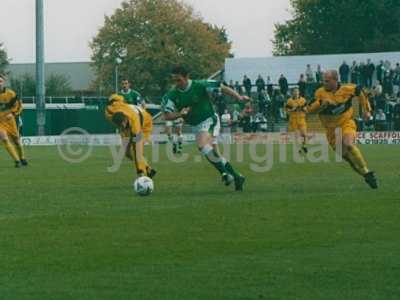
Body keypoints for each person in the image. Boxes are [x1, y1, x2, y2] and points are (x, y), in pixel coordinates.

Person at [162, 66, 248, 191]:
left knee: (202, 144)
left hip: (209, 119)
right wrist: (180, 114)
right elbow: (167, 115)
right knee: (215, 154)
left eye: (179, 80)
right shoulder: (172, 95)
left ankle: (225, 174)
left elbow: (222, 87)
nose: (176, 83)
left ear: (186, 77)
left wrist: (239, 97)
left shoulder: (200, 85)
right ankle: (237, 177)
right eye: (174, 81)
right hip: (196, 125)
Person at [305, 70, 378, 189]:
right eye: (323, 80)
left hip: (346, 123)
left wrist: (367, 110)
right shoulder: (319, 93)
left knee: (349, 144)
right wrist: (321, 105)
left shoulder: (347, 89)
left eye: (327, 81)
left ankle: (368, 171)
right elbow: (309, 111)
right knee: (348, 159)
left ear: (335, 80)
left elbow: (360, 91)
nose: (324, 83)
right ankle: (365, 175)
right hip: (331, 131)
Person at [105, 94, 156, 178]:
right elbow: (117, 98)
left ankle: (143, 172)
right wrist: (112, 99)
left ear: (125, 120)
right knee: (127, 153)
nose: (121, 126)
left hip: (145, 124)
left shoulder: (135, 125)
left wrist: (139, 172)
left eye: (122, 125)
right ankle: (148, 168)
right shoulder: (109, 112)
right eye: (119, 125)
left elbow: (137, 150)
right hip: (129, 123)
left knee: (135, 149)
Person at [0, 74, 28, 168]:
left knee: (16, 140)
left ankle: (22, 158)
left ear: (3, 82)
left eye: (0, 81)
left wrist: (13, 114)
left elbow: (19, 106)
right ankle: (17, 161)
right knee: (4, 138)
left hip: (10, 121)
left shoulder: (11, 94)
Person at [286, 88, 308, 154]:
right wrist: (292, 109)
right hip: (293, 120)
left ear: (299, 92)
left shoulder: (303, 100)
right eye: (294, 91)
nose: (296, 93)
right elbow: (287, 111)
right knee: (296, 135)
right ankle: (299, 149)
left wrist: (304, 109)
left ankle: (304, 146)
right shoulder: (289, 101)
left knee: (304, 134)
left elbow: (307, 109)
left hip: (301, 119)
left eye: (297, 91)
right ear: (292, 93)